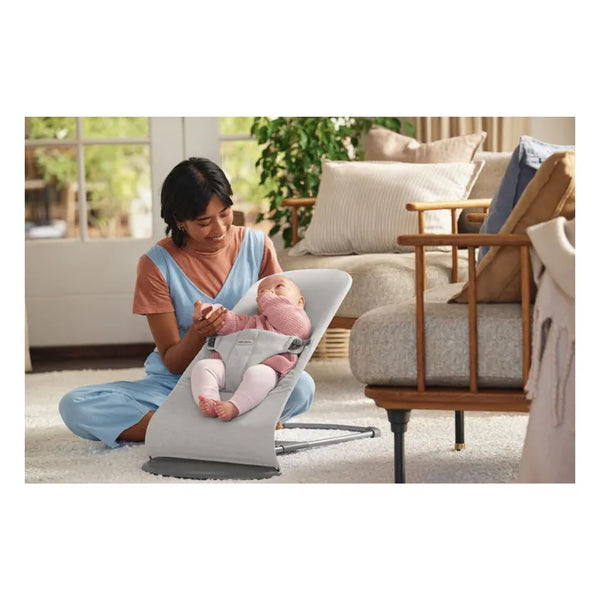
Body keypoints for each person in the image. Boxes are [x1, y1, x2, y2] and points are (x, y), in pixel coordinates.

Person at [58, 158, 315, 448]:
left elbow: (285, 327)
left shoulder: (258, 246)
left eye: (225, 213)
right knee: (76, 405)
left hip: (249, 375)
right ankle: (229, 425)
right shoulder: (155, 265)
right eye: (204, 222)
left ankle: (193, 426)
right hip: (178, 383)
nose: (219, 228)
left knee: (302, 387)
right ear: (179, 220)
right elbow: (172, 362)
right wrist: (199, 333)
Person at [192, 274, 311, 421]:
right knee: (203, 366)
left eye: (279, 286)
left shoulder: (298, 321)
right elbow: (230, 322)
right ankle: (210, 400)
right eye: (261, 292)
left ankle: (234, 407)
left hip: (267, 369)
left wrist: (267, 298)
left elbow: (291, 323)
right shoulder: (253, 322)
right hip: (230, 368)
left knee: (260, 375)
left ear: (300, 302)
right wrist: (211, 312)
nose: (269, 292)